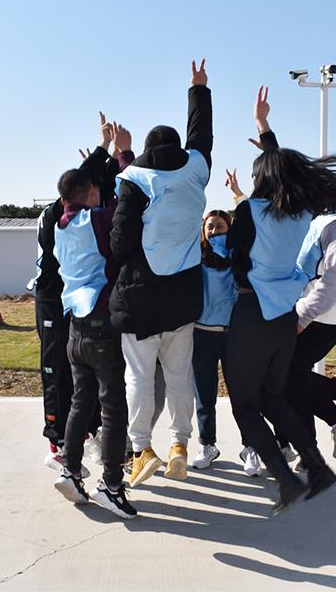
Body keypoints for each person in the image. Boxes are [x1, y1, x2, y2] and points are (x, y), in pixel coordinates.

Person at [224, 86, 336, 516]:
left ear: (262, 179)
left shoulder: (249, 212)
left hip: (251, 316)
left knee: (246, 404)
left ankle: (286, 480)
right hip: (284, 319)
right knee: (273, 397)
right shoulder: (301, 214)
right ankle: (316, 468)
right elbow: (282, 173)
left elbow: (235, 261)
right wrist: (264, 129)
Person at [110, 59, 213, 487]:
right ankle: (179, 445)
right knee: (178, 375)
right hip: (183, 298)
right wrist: (198, 89)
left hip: (141, 298)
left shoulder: (134, 179)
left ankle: (141, 449)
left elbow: (119, 243)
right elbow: (201, 137)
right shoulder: (197, 171)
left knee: (137, 375)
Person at [52, 117, 138, 520]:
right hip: (102, 324)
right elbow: (129, 204)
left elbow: (78, 186)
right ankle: (111, 485)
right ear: (89, 193)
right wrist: (124, 156)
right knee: (113, 407)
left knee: (80, 402)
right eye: (95, 189)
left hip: (75, 327)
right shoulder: (96, 220)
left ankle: (70, 471)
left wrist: (102, 149)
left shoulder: (61, 223)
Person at [30, 116, 124, 474]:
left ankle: (85, 437)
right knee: (57, 373)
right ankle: (56, 444)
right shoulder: (58, 215)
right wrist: (105, 149)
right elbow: (78, 187)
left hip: (75, 302)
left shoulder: (84, 216)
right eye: (91, 189)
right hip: (52, 300)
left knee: (82, 376)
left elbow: (97, 193)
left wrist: (108, 161)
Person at [284, 199, 336, 459]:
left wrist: (301, 319)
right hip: (313, 316)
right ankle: (314, 445)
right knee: (293, 382)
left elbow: (334, 281)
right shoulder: (320, 220)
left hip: (322, 319)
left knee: (283, 376)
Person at [190, 208, 262, 477]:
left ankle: (250, 446)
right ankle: (207, 445)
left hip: (233, 335)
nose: (213, 231)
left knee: (242, 395)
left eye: (220, 226)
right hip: (202, 333)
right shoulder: (196, 256)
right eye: (209, 226)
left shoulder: (238, 256)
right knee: (204, 395)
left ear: (229, 229)